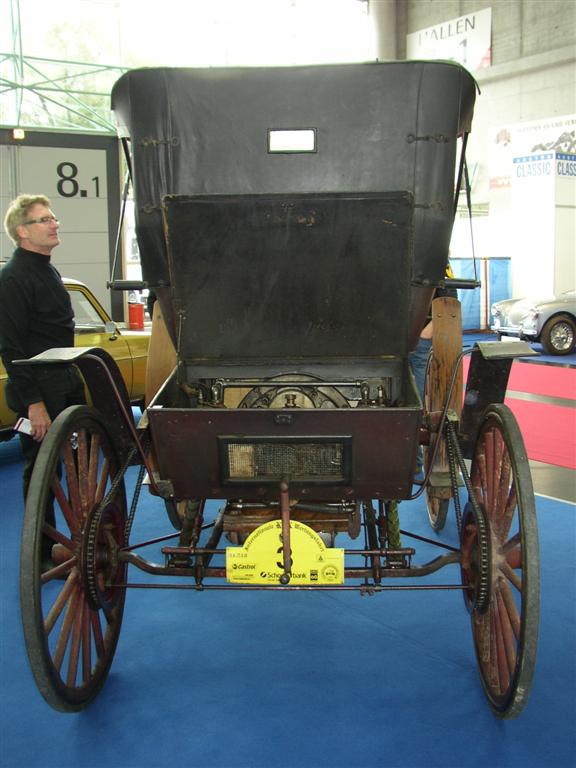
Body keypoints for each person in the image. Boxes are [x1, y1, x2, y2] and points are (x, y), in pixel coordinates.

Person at [0, 194, 85, 507]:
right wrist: (34, 404)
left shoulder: (48, 271)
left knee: (79, 468)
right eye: (45, 219)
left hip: (65, 378)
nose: (55, 224)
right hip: (40, 389)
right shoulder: (12, 278)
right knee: (43, 474)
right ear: (23, 231)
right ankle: (41, 554)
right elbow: (11, 348)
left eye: (53, 218)